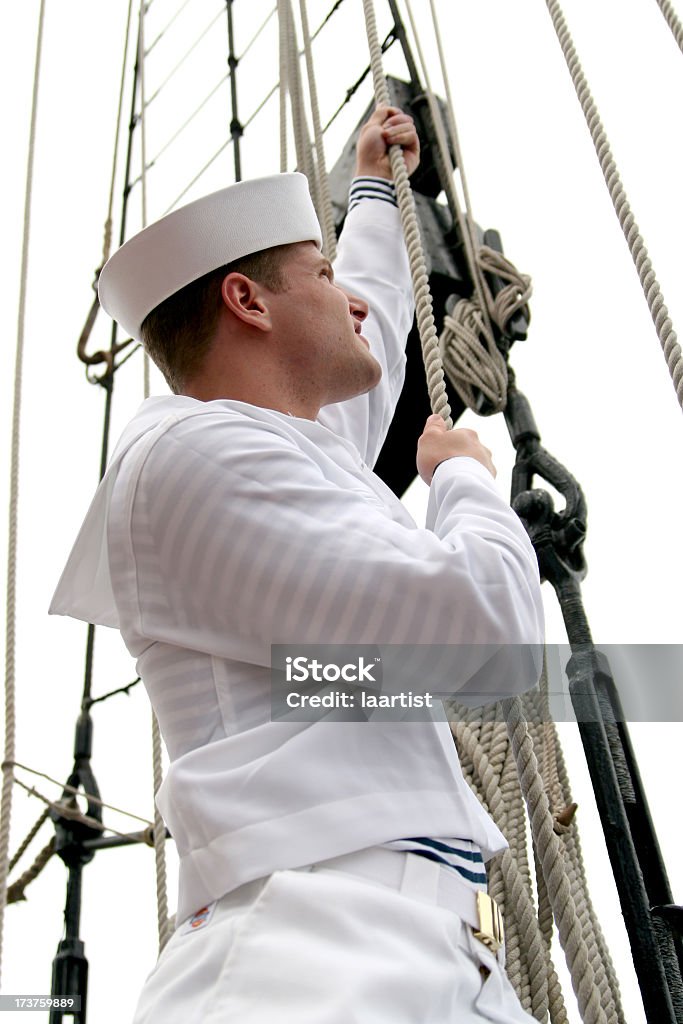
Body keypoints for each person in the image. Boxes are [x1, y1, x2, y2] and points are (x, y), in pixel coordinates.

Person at [50, 106, 544, 1022]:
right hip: (312, 951)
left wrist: (370, 188)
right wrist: (463, 484)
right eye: (320, 277)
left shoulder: (283, 453)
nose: (349, 298)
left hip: (407, 944)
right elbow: (486, 633)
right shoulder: (196, 459)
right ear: (247, 302)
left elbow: (377, 315)